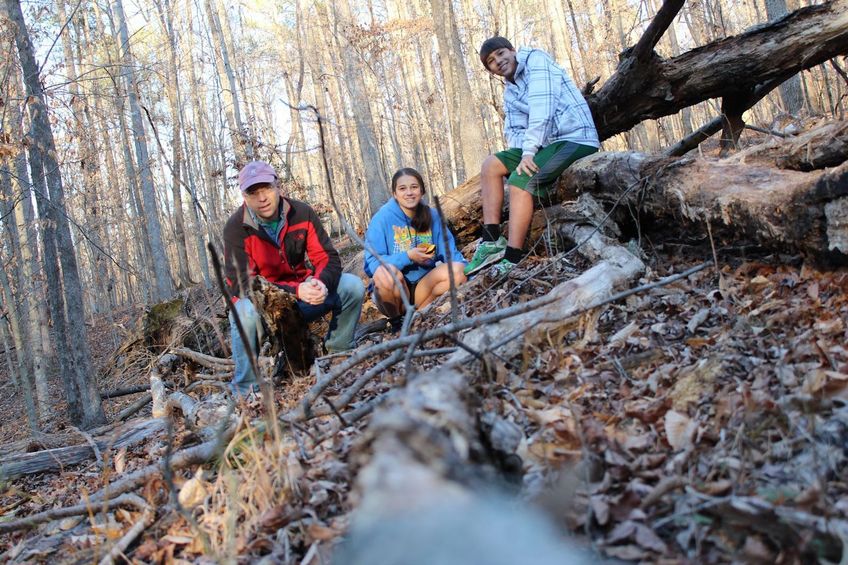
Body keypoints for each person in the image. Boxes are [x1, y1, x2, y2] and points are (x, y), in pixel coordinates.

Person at [224, 160, 365, 396]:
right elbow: (241, 284)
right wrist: (296, 290)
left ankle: (338, 352)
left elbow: (327, 258)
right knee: (242, 312)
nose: (262, 198)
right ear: (244, 196)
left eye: (267, 188)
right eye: (253, 192)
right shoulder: (236, 228)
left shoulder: (302, 212)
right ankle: (246, 388)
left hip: (304, 298)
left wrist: (320, 282)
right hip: (263, 308)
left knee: (352, 286)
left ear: (278, 186)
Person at [464, 37, 600, 277]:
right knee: (491, 165)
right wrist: (523, 155)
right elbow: (514, 130)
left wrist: (529, 154)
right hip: (546, 145)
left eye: (501, 53)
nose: (498, 61)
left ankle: (513, 258)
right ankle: (491, 240)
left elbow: (542, 109)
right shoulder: (510, 90)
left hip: (575, 138)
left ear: (513, 51)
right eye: (491, 62)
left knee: (519, 181)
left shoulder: (537, 61)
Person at [364, 168, 467, 324]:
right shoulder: (382, 218)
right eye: (402, 188)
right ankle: (397, 323)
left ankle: (416, 317)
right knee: (387, 272)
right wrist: (407, 257)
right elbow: (371, 264)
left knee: (458, 272)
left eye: (414, 187)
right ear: (394, 193)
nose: (409, 193)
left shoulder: (432, 215)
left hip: (424, 287)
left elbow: (450, 252)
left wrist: (469, 271)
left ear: (422, 190)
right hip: (392, 292)